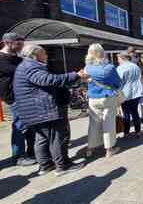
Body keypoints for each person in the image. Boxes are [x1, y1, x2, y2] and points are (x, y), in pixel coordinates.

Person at [14, 44, 88, 176]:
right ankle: (63, 165)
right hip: (43, 110)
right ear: (35, 55)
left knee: (41, 138)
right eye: (44, 53)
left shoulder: (25, 66)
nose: (47, 55)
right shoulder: (31, 66)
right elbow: (48, 80)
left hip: (35, 111)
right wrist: (74, 75)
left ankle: (46, 165)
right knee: (57, 137)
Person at [0, 33, 36, 166]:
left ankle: (32, 151)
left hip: (24, 95)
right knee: (19, 126)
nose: (21, 46)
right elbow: (22, 72)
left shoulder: (17, 57)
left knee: (30, 124)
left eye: (22, 43)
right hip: (14, 97)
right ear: (8, 43)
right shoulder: (1, 59)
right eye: (18, 43)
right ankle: (18, 157)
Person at [84, 44, 121, 158]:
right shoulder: (109, 67)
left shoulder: (87, 68)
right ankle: (109, 150)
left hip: (93, 98)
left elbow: (86, 82)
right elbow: (118, 83)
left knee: (94, 124)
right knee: (108, 123)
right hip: (107, 97)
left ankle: (90, 148)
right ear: (102, 52)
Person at [117, 51, 143, 138]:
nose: (118, 61)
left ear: (122, 58)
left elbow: (118, 82)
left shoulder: (120, 68)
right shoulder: (135, 66)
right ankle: (138, 131)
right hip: (136, 93)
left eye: (118, 59)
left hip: (125, 94)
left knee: (126, 113)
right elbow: (140, 79)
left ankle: (126, 132)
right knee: (135, 112)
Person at [127, 47, 143, 122]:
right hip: (138, 84)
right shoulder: (136, 59)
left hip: (131, 85)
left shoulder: (125, 59)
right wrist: (138, 60)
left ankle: (135, 117)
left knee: (134, 101)